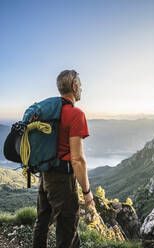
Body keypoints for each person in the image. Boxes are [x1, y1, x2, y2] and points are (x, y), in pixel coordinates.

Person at [32, 70, 94, 248]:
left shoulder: (50, 113)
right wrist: (87, 191)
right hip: (62, 180)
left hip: (45, 175)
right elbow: (77, 160)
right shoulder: (76, 114)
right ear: (74, 86)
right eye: (80, 85)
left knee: (43, 223)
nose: (81, 88)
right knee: (67, 230)